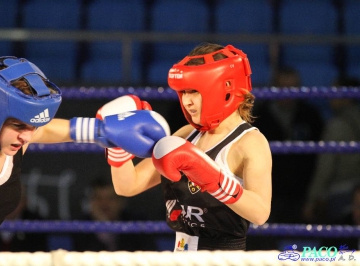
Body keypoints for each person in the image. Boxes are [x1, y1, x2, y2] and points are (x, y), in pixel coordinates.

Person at [0, 56, 169, 252]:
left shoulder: (16, 140)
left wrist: (102, 131)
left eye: (33, 127)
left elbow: (58, 129)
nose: (27, 137)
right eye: (18, 125)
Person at [108, 43, 272, 251]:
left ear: (224, 88)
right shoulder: (186, 134)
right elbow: (127, 186)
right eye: (183, 92)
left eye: (194, 91)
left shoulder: (250, 142)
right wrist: (116, 144)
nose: (186, 101)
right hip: (181, 252)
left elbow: (260, 213)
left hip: (223, 258)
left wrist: (214, 180)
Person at [252, 67, 325, 223]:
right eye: (283, 88)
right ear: (274, 88)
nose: (288, 94)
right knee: (266, 241)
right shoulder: (260, 116)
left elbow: (321, 157)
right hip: (270, 192)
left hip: (302, 191)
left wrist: (314, 196)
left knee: (300, 240)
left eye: (293, 88)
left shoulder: (310, 116)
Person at [302, 77, 360, 224]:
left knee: (335, 240)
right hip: (351, 192)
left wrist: (313, 199)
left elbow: (325, 167)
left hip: (342, 196)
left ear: (346, 97)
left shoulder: (336, 126)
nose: (330, 97)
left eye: (334, 92)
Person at [72, 178, 157, 251]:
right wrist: (104, 225)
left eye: (110, 198)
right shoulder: (81, 225)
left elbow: (149, 256)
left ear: (121, 201)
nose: (104, 204)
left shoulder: (137, 223)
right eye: (99, 198)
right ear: (91, 202)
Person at [0, 184, 48, 252]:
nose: (8, 206)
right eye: (3, 200)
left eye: (14, 201)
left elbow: (39, 257)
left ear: (24, 202)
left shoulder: (35, 224)